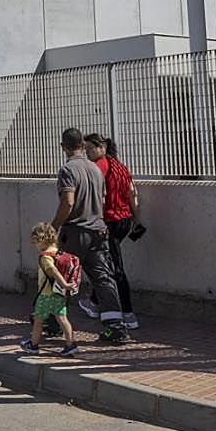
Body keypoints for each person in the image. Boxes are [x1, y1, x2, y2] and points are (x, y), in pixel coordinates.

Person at [50, 127, 131, 344]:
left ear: (63, 147)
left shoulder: (68, 169)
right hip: (98, 230)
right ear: (82, 146)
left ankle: (52, 322)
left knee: (62, 275)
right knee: (104, 278)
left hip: (75, 231)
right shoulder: (95, 169)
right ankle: (115, 326)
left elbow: (68, 202)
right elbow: (103, 201)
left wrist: (54, 226)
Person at [80, 134, 141, 329]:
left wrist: (94, 221)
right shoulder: (120, 166)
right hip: (124, 221)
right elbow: (133, 194)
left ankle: (128, 313)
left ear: (101, 147)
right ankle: (94, 302)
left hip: (110, 222)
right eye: (85, 149)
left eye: (90, 148)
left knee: (114, 268)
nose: (87, 153)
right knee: (105, 262)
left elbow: (98, 197)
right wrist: (136, 220)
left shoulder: (99, 167)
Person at [19, 222, 77, 356]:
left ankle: (33, 345)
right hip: (59, 294)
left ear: (41, 239)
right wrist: (65, 286)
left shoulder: (45, 257)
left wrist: (64, 284)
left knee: (38, 320)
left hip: (46, 295)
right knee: (63, 319)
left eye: (36, 242)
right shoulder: (59, 253)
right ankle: (71, 344)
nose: (36, 246)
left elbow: (54, 271)